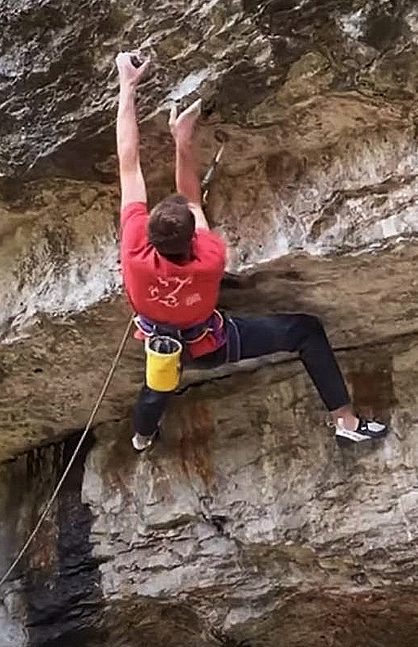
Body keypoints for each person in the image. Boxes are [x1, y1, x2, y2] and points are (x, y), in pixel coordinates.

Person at [113, 50, 388, 452]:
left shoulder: (135, 252)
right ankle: (345, 421)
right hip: (212, 345)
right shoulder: (208, 260)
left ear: (148, 233)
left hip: (160, 344)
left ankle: (142, 437)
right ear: (192, 241)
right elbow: (191, 199)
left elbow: (129, 163)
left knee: (158, 382)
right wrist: (183, 141)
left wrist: (127, 85)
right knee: (305, 331)